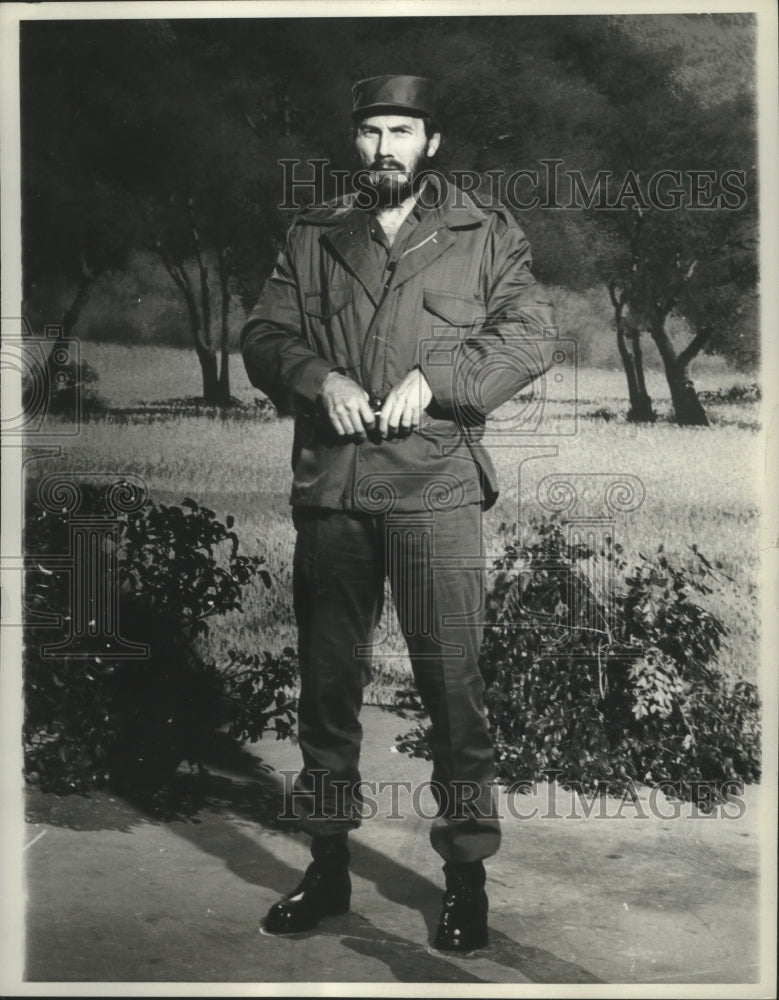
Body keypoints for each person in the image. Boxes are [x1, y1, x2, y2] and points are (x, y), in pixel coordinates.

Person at [241, 74, 555, 952]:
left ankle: (465, 879)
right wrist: (320, 380)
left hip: (436, 488)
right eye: (372, 131)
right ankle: (327, 868)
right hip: (335, 489)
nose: (385, 147)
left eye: (402, 131)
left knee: (452, 687)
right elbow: (264, 335)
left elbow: (530, 333)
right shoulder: (315, 233)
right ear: (355, 141)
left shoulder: (484, 231)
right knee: (327, 687)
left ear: (431, 142)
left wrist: (440, 378)